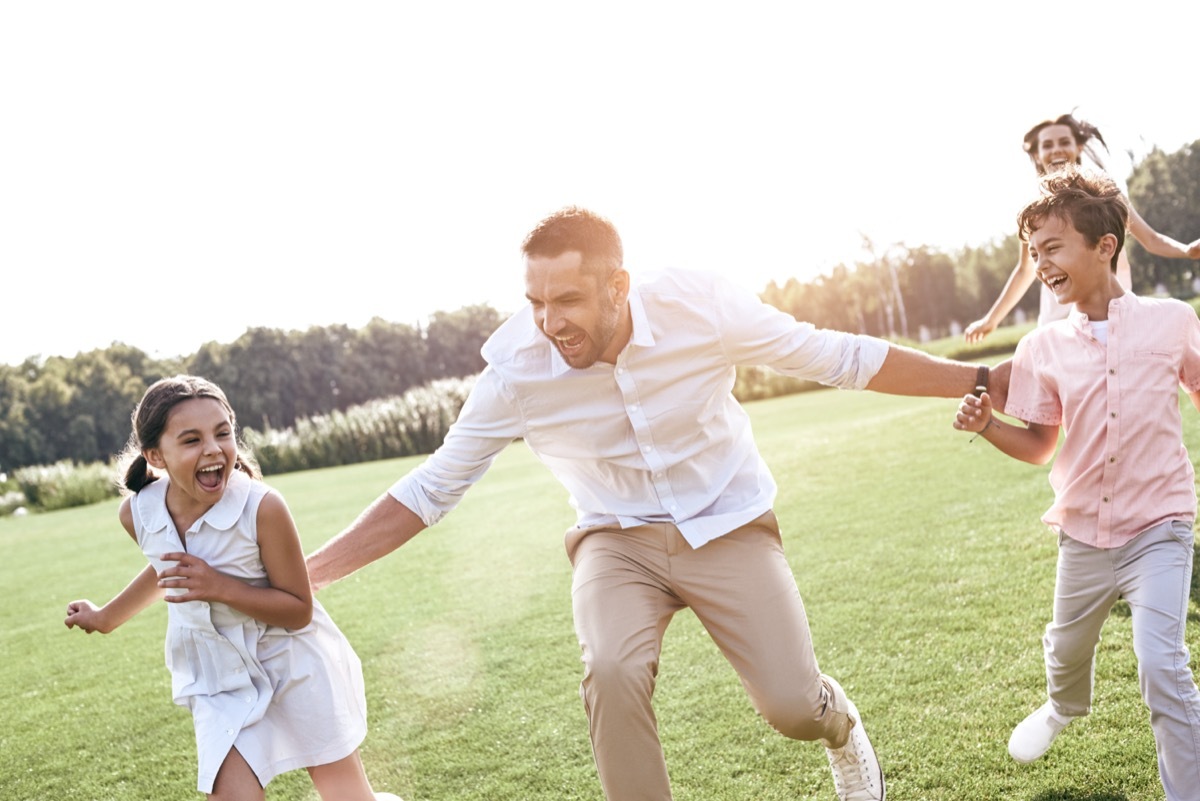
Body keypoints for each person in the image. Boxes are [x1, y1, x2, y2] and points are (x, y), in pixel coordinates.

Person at [306, 206, 1009, 801]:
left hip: (727, 522)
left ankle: (841, 725)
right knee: (610, 668)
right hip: (616, 540)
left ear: (619, 286)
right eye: (536, 303)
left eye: (568, 301)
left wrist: (981, 377)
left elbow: (838, 357)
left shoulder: (698, 306)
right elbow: (432, 486)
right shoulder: (516, 372)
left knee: (794, 706)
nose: (550, 322)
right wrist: (309, 574)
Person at [954, 167, 1200, 799]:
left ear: (1105, 247)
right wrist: (987, 427)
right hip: (1084, 535)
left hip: (1160, 527)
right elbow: (1040, 445)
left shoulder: (1173, 322)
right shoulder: (1041, 348)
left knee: (1161, 664)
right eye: (1033, 253)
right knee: (1066, 650)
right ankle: (1063, 707)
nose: (1041, 264)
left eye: (1052, 249)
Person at [64, 376, 401, 801]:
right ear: (155, 456)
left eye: (223, 433)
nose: (212, 448)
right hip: (220, 680)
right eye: (191, 440)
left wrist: (220, 587)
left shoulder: (262, 507)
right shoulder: (137, 513)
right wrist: (105, 616)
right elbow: (167, 568)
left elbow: (299, 609)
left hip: (294, 666)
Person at [964, 112, 1200, 343]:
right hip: (1060, 323)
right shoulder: (1035, 209)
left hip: (1110, 316)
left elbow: (1151, 239)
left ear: (1078, 147)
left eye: (1064, 141)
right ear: (1037, 155)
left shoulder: (1105, 195)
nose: (1056, 149)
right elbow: (1025, 270)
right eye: (1047, 145)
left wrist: (1186, 250)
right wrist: (991, 320)